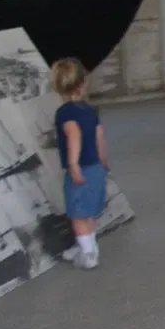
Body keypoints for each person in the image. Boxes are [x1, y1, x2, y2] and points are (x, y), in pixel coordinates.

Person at [50, 58, 108, 269]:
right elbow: (99, 135)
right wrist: (103, 160)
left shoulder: (65, 113)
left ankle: (88, 254)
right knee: (89, 211)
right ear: (83, 84)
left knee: (76, 214)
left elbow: (73, 134)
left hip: (81, 170)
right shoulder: (90, 110)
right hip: (96, 168)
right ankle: (87, 243)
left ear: (57, 87)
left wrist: (73, 165)